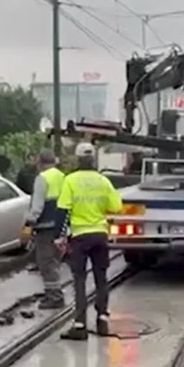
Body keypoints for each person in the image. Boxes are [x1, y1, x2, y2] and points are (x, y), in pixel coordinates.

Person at [54, 142, 122, 340]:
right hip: (100, 235)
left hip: (80, 237)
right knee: (101, 278)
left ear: (77, 158)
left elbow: (63, 211)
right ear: (93, 159)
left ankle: (80, 325)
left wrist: (59, 237)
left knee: (80, 280)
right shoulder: (103, 181)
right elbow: (116, 206)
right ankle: (102, 320)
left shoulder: (70, 180)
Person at [24, 150, 65, 309]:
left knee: (45, 263)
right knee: (54, 261)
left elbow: (37, 206)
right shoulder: (62, 177)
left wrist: (29, 222)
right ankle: (53, 294)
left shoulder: (42, 178)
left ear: (40, 163)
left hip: (45, 226)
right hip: (59, 226)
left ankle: (55, 297)